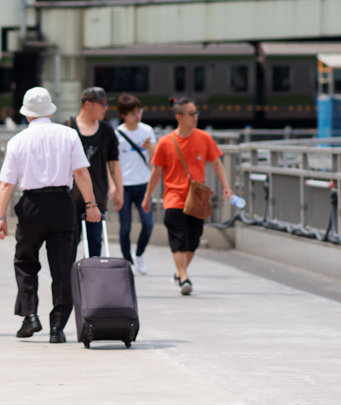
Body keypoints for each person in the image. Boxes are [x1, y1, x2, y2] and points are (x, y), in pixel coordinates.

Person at [0, 86, 96, 344]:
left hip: (31, 205)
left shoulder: (17, 141)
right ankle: (57, 328)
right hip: (63, 203)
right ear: (50, 110)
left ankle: (29, 316)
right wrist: (91, 205)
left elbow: (6, 183)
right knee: (62, 267)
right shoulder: (69, 134)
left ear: (27, 115)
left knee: (25, 261)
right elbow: (81, 173)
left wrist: (0, 217)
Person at [141, 97, 234, 295]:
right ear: (179, 117)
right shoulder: (166, 142)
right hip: (173, 197)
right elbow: (156, 171)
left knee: (193, 240)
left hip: (196, 200)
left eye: (196, 113)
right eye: (190, 114)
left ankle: (180, 272)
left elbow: (217, 163)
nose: (195, 117)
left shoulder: (204, 138)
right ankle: (184, 278)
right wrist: (148, 196)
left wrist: (226, 185)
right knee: (179, 239)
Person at [67, 87, 122, 258]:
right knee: (69, 244)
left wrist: (120, 190)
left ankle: (91, 283)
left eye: (107, 104)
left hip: (97, 197)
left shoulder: (107, 131)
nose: (106, 108)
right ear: (87, 104)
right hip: (71, 197)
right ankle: (68, 283)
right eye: (102, 104)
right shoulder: (68, 128)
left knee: (95, 245)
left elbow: (113, 162)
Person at [114, 94, 156, 273]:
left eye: (139, 112)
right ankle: (127, 261)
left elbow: (155, 160)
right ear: (124, 115)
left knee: (148, 224)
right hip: (124, 186)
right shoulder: (117, 134)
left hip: (144, 183)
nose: (137, 116)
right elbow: (112, 163)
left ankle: (139, 254)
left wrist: (150, 148)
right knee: (125, 228)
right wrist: (114, 187)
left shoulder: (147, 131)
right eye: (133, 113)